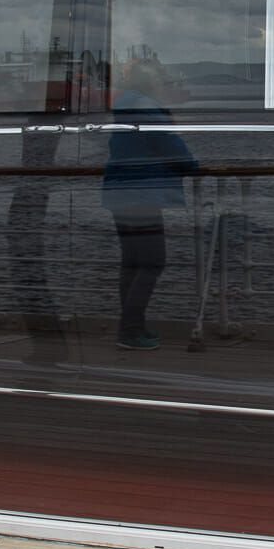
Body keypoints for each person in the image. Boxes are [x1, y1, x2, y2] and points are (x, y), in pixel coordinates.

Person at [101, 58, 197, 350]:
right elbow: (171, 147)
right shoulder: (146, 108)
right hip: (142, 194)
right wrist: (194, 167)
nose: (166, 84)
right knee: (153, 261)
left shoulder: (126, 104)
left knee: (133, 263)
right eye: (162, 79)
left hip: (122, 193)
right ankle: (129, 331)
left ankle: (134, 326)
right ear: (151, 81)